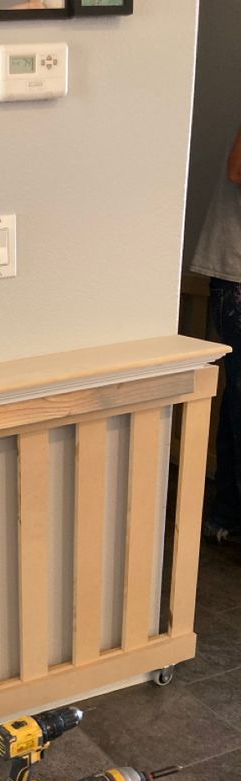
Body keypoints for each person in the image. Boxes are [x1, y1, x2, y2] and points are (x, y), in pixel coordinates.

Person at [191, 127, 241, 541]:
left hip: (234, 277)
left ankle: (226, 519)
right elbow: (237, 168)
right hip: (237, 278)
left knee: (237, 405)